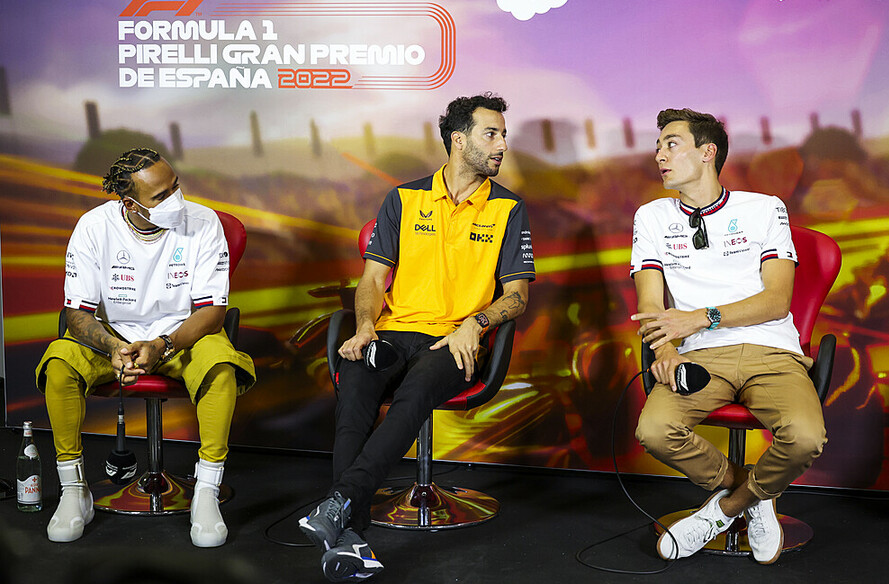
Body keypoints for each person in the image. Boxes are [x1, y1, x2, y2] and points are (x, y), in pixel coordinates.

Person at [299, 93, 535, 582]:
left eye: (504, 135)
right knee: (355, 387)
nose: (502, 145)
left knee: (416, 391)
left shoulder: (509, 208)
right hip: (391, 331)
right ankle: (349, 533)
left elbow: (517, 297)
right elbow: (371, 280)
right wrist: (365, 326)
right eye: (492, 134)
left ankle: (340, 503)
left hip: (453, 340)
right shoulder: (403, 198)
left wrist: (476, 324)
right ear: (459, 140)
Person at [630, 109, 827, 564]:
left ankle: (724, 510)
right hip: (699, 357)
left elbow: (777, 301)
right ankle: (753, 492)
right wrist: (665, 349)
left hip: (770, 350)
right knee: (655, 431)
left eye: (671, 144)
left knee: (804, 437)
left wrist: (700, 318)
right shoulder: (651, 216)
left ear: (708, 152)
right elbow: (651, 304)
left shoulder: (764, 208)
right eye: (657, 146)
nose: (659, 155)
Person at [35, 148, 255, 547]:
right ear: (130, 203)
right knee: (59, 362)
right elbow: (77, 314)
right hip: (112, 336)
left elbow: (212, 313)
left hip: (183, 336)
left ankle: (206, 493)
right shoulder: (93, 227)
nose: (175, 199)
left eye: (175, 187)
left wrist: (163, 344)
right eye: (160, 196)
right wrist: (112, 347)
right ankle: (73, 490)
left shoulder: (204, 222)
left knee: (222, 365)